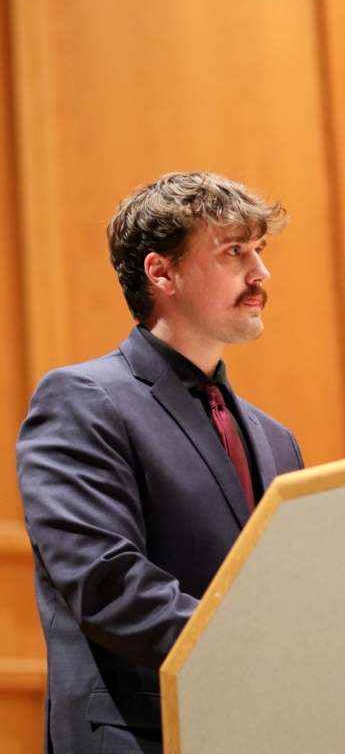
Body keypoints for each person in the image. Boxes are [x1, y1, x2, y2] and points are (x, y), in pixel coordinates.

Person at [16, 172, 304, 754]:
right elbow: (107, 582)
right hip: (140, 735)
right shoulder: (82, 400)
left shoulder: (277, 440)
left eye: (259, 251)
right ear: (161, 271)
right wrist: (260, 647)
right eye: (234, 251)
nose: (260, 273)